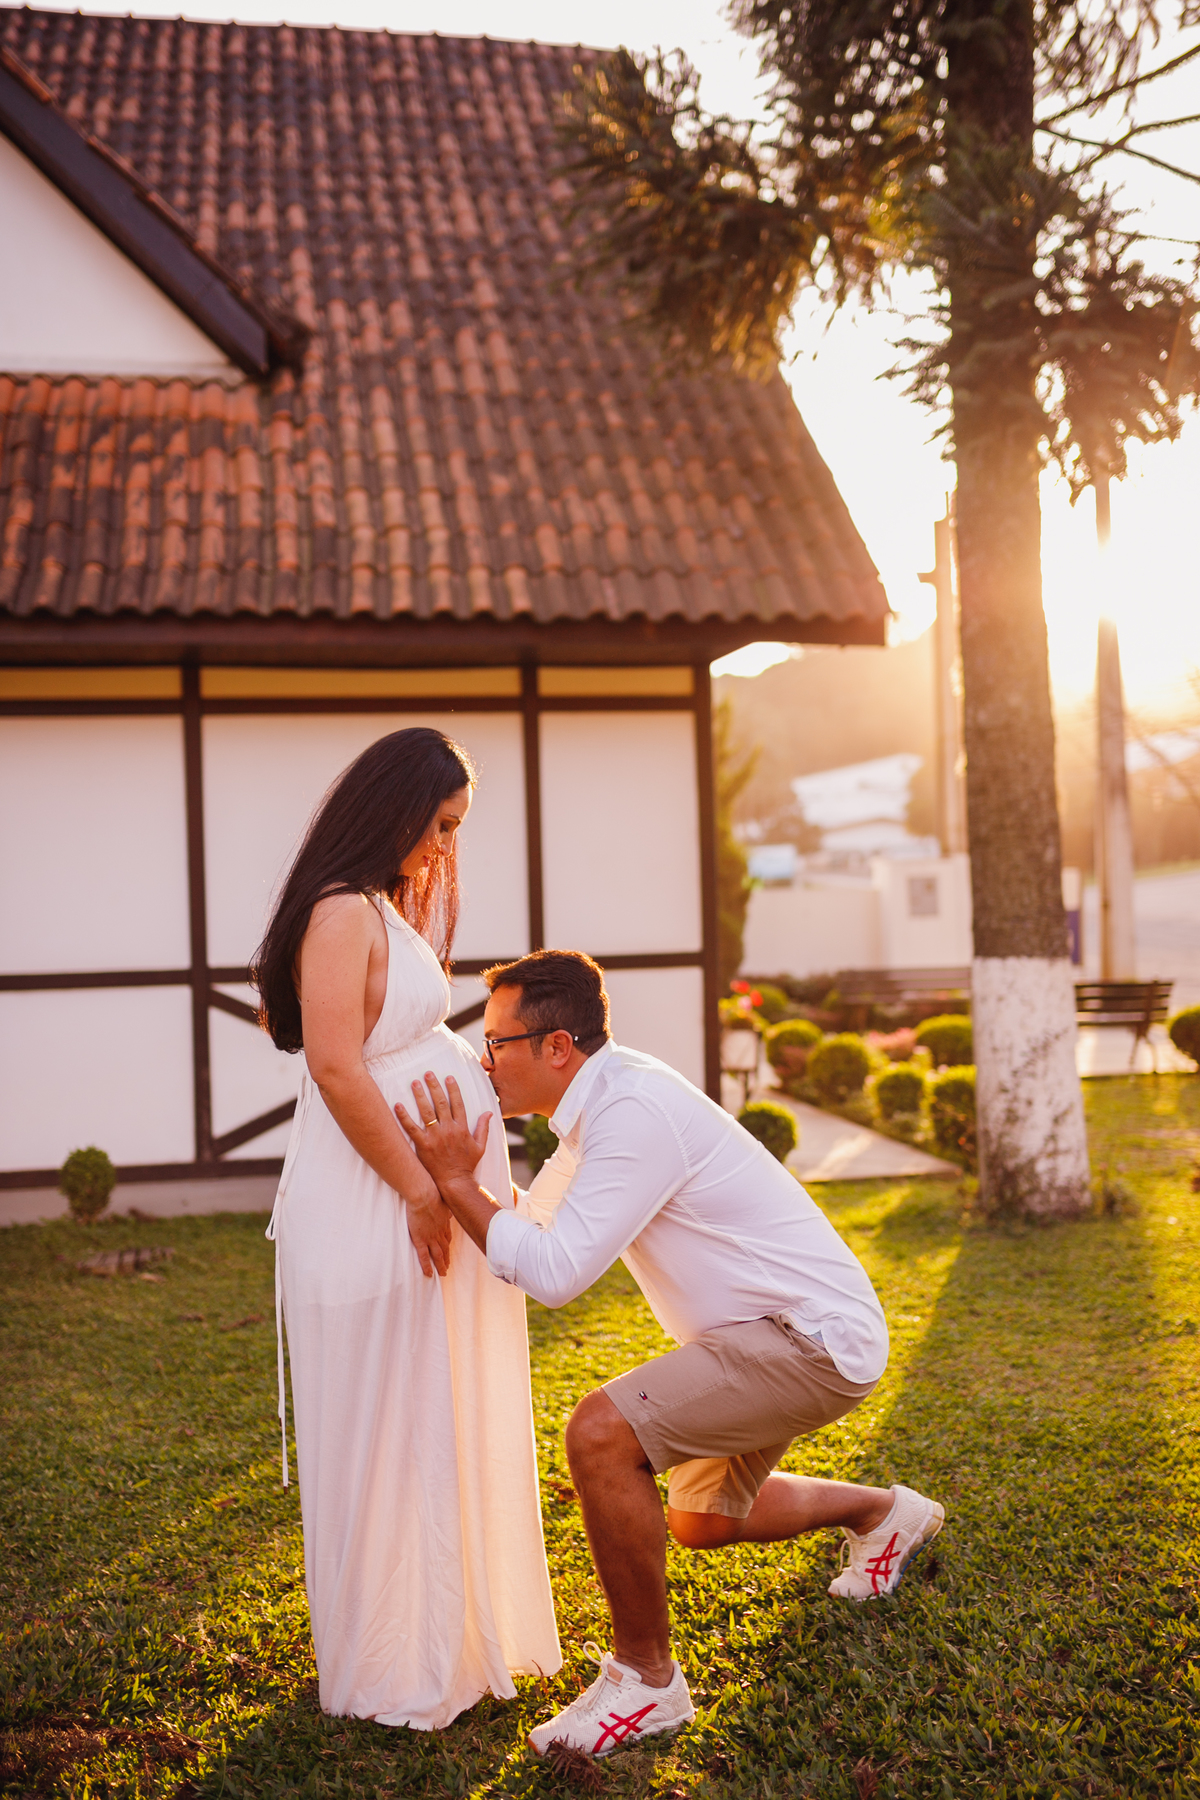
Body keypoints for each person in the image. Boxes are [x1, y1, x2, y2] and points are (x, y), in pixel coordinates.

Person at [396, 949, 944, 1759]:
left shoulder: (631, 1115)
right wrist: (447, 1179)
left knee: (598, 1432)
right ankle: (884, 1512)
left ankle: (647, 1683)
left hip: (811, 1339)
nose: (485, 1062)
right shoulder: (600, 1109)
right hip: (774, 1335)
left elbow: (551, 1274)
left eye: (497, 1044)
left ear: (557, 1047)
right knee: (697, 1522)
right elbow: (534, 1222)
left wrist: (455, 1182)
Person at [253, 728, 560, 1731]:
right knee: (391, 1422)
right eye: (440, 824)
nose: (444, 848)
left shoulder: (383, 906)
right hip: (378, 1198)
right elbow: (337, 1067)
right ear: (394, 808)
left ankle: (456, 1634)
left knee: (439, 1413)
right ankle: (396, 1661)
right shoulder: (341, 914)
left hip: (428, 1188)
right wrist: (424, 1191)